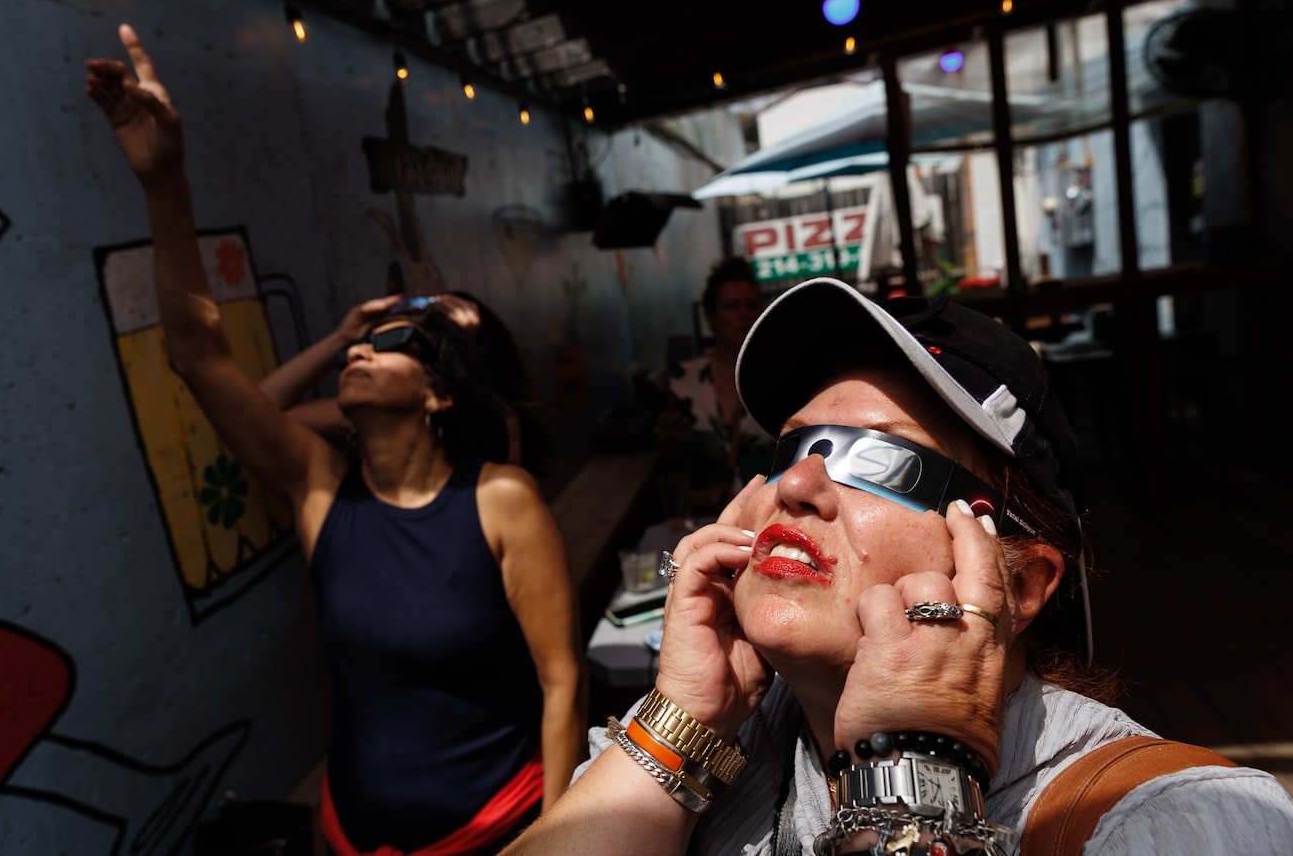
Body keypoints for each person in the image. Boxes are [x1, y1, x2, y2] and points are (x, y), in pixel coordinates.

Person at [502, 276, 1293, 854]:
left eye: (881, 462)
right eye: (788, 449)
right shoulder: (718, 742)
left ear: (1016, 583)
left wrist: (908, 784)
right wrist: (685, 720)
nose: (799, 485)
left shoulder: (1176, 822)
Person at [85, 24, 587, 856]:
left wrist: (562, 839)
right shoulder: (319, 487)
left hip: (494, 826)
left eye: (392, 343)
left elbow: (562, 682)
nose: (361, 346)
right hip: (348, 831)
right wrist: (166, 184)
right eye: (363, 336)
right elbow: (198, 355)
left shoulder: (499, 496)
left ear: (435, 391)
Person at [259, 290, 544, 471]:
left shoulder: (500, 425)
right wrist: (343, 336)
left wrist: (456, 348)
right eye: (364, 343)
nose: (358, 353)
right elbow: (258, 412)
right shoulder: (375, 413)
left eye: (395, 343)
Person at [658, 257, 774, 515]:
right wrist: (669, 443)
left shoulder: (777, 377)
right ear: (711, 317)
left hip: (769, 514)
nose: (744, 314)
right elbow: (670, 466)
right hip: (704, 519)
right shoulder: (683, 382)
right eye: (732, 306)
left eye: (751, 305)